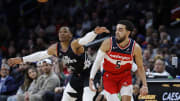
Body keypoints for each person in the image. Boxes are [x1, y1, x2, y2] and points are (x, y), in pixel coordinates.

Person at [8, 26, 110, 101]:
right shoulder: (56, 48)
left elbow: (84, 39)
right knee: (65, 99)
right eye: (60, 32)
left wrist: (94, 33)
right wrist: (22, 59)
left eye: (65, 31)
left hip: (89, 74)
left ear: (70, 35)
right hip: (76, 76)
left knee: (87, 98)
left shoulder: (74, 44)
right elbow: (40, 55)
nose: (62, 33)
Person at [89, 20, 148, 101]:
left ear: (128, 32)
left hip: (124, 76)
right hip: (109, 77)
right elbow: (97, 62)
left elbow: (140, 67)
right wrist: (91, 78)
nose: (117, 32)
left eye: (120, 30)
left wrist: (144, 85)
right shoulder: (108, 43)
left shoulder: (135, 48)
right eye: (116, 29)